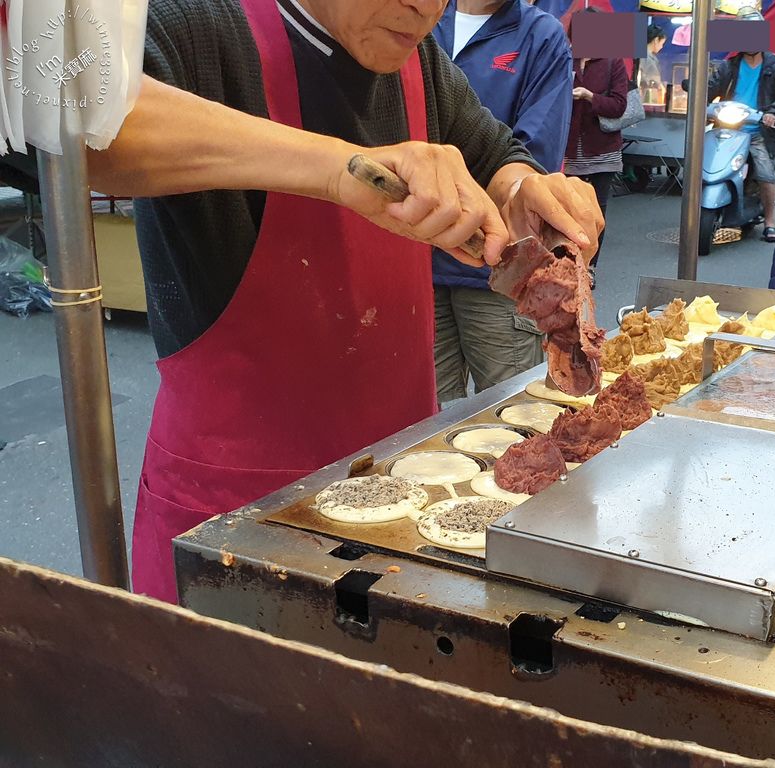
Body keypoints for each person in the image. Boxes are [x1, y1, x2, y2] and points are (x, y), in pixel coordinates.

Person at [88, 0, 603, 603]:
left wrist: (523, 191)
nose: (425, 7)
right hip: (240, 520)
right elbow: (84, 123)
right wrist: (340, 170)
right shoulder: (203, 20)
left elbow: (496, 157)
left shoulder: (416, 59)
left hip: (408, 485)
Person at [431, 0, 573, 403]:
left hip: (497, 269)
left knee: (513, 410)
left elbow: (532, 156)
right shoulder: (421, 25)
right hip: (414, 265)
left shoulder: (541, 36)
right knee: (425, 422)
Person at [703, 18, 775, 242]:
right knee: (702, 166)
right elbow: (709, 88)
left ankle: (771, 222)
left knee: (766, 175)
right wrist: (693, 89)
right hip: (727, 128)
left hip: (758, 132)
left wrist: (773, 112)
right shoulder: (729, 66)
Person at [563, 11, 628, 277]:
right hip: (568, 147)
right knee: (566, 207)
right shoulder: (565, 56)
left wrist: (590, 96)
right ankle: (567, 263)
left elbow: (619, 105)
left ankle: (590, 266)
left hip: (602, 147)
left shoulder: (613, 61)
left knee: (597, 211)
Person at [640, 24, 667, 104]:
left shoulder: (642, 55)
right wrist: (660, 86)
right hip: (647, 99)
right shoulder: (648, 59)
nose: (662, 47)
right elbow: (654, 81)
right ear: (656, 40)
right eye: (662, 43)